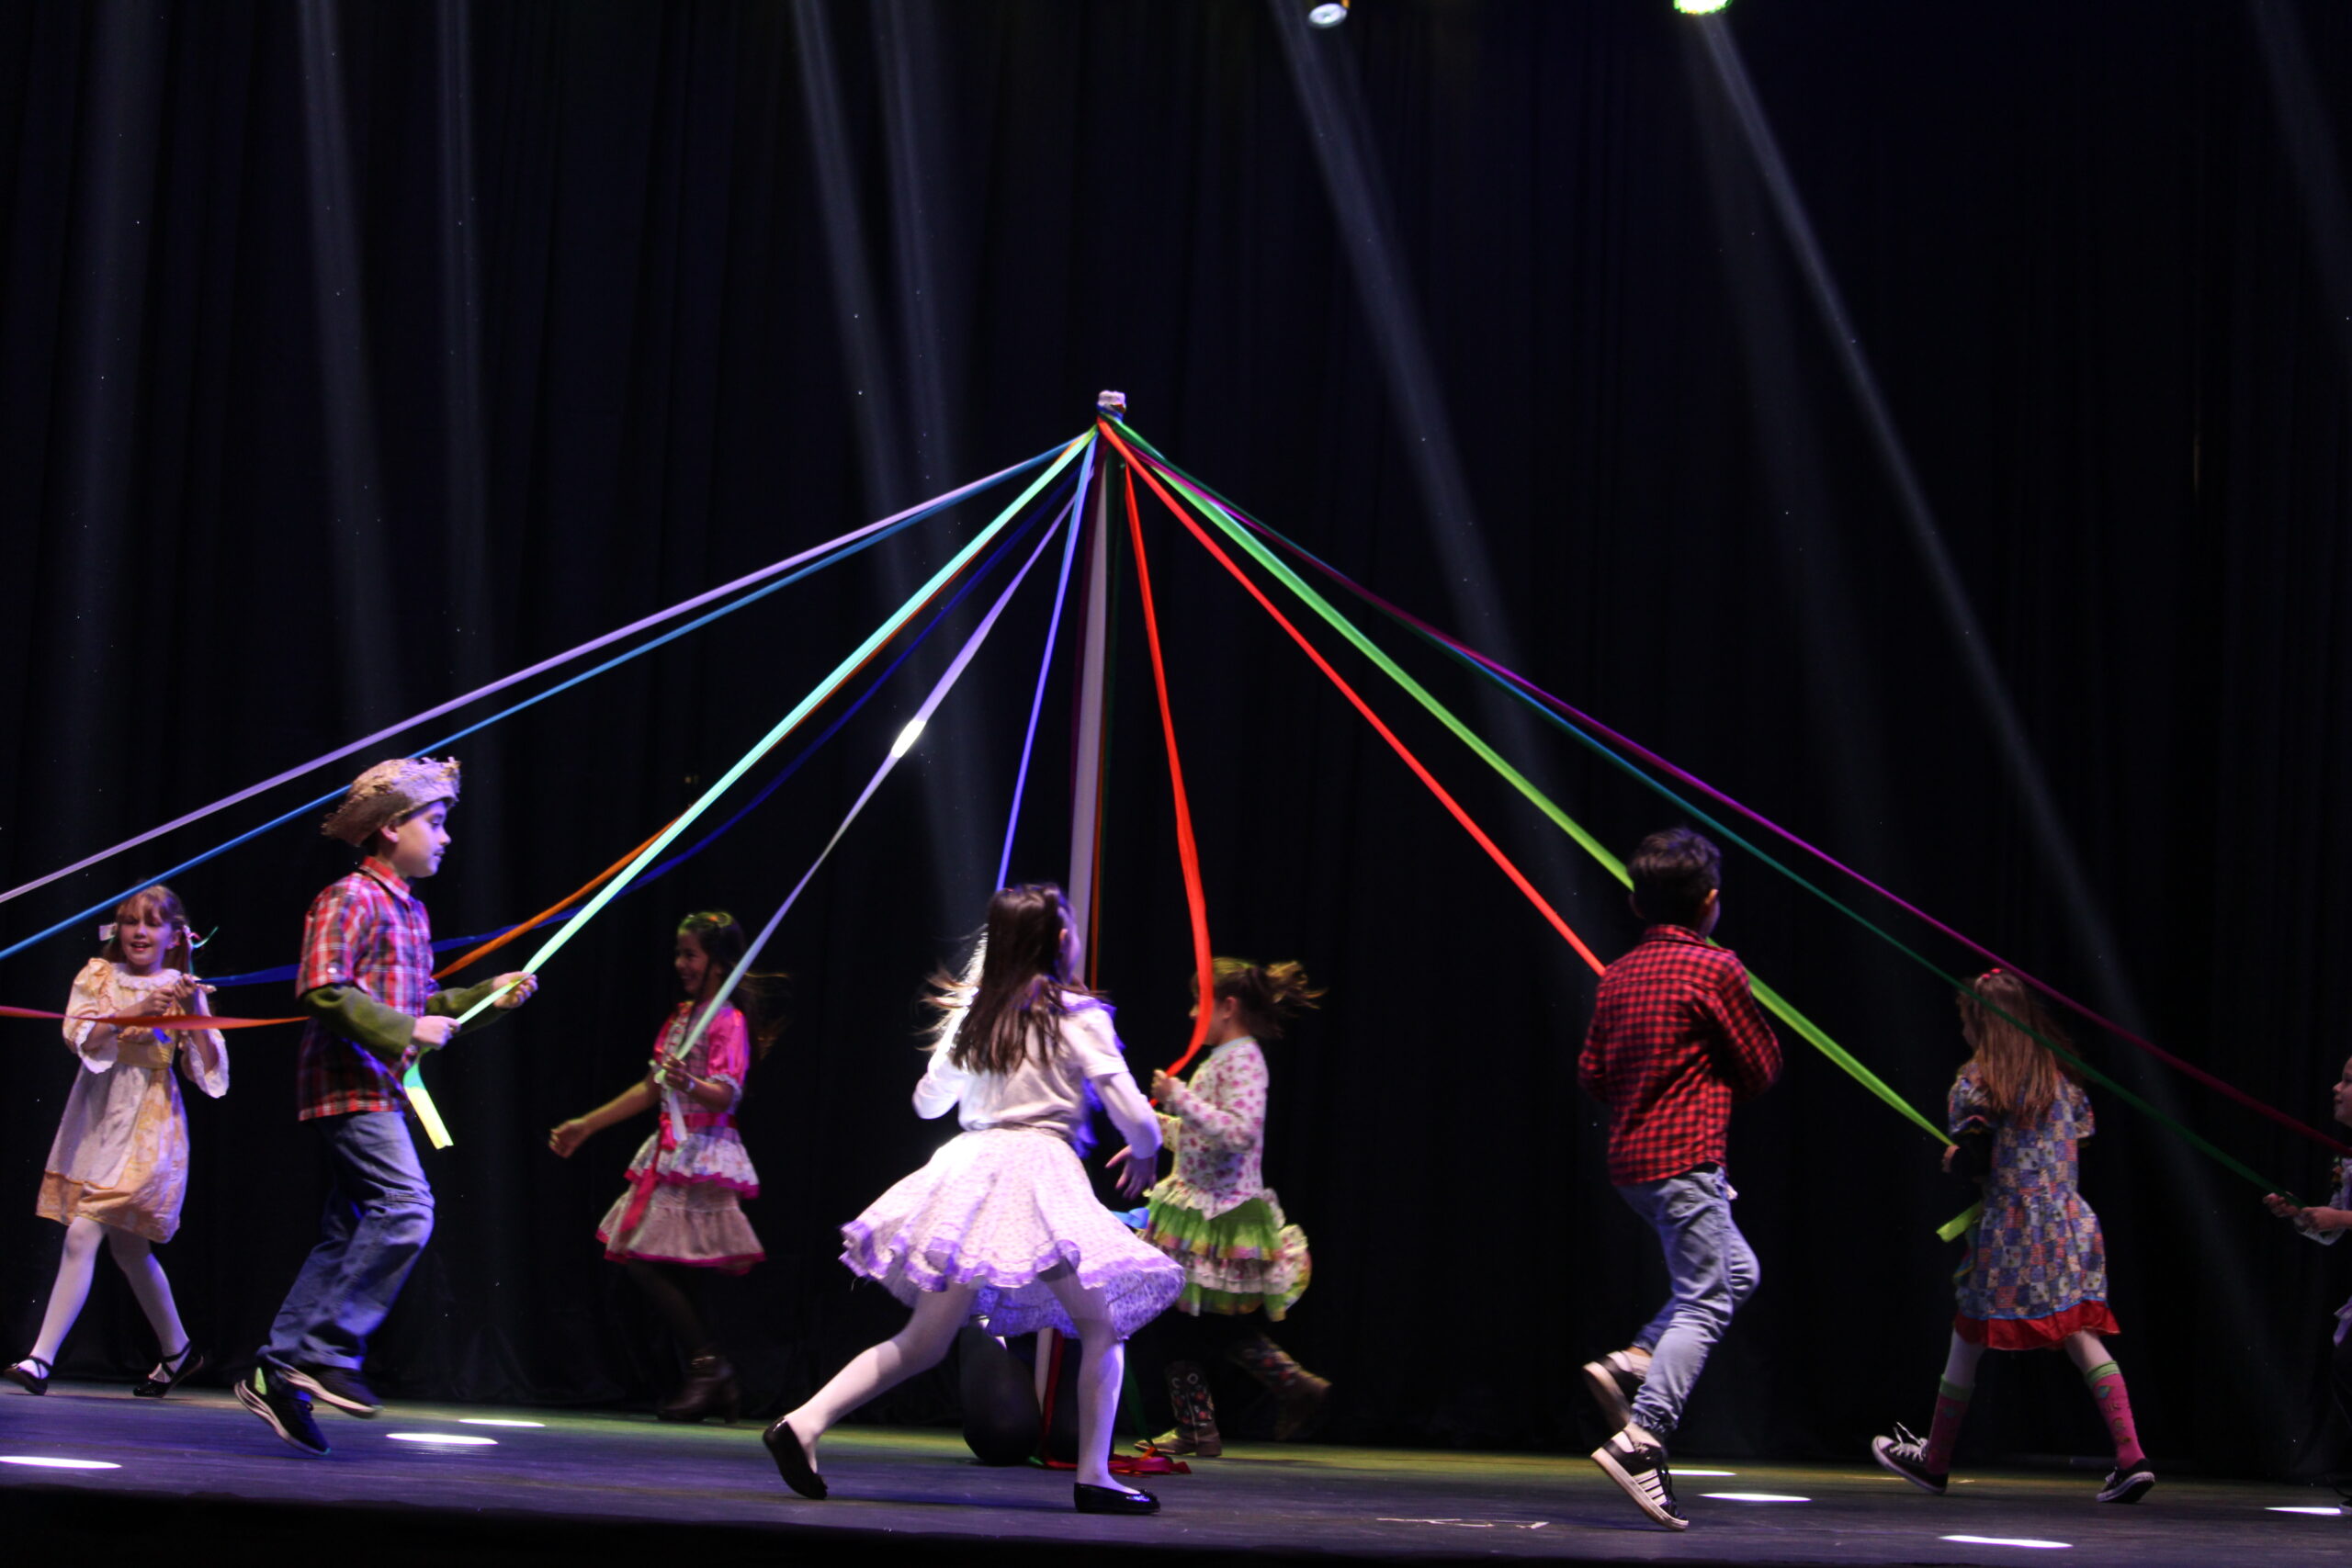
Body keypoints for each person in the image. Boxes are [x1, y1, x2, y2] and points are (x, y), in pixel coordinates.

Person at [762, 884, 1182, 1515]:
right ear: (1061, 939)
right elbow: (1136, 1118)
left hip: (968, 1169)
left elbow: (928, 1101)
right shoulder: (1077, 1015)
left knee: (923, 1341)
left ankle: (802, 1421)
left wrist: (974, 1030)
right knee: (1102, 1324)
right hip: (1036, 1172)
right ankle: (1095, 1474)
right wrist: (1147, 1143)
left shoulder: (976, 1013)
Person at [236, 757, 537, 1457]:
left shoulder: (410, 909)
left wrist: (486, 995)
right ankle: (323, 1349)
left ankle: (279, 1367)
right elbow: (321, 989)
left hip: (382, 1086)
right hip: (349, 1083)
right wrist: (406, 1030)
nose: (445, 837)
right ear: (390, 826)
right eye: (434, 823)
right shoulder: (349, 898)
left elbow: (422, 1005)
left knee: (349, 1230)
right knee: (406, 1208)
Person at [1871, 970, 2154, 1505]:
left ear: (1980, 1022)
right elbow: (2077, 1144)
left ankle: (1935, 1462)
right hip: (2070, 1224)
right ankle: (2131, 1456)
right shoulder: (2062, 1082)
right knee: (2077, 1333)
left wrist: (1957, 1160)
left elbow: (1976, 1160)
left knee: (1969, 1334)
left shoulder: (1976, 1084)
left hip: (2012, 1232)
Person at [1577, 828, 1781, 1531]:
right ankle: (1643, 1435)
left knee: (1737, 1271)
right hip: (1685, 1157)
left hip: (1633, 1163)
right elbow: (1758, 1068)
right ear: (1711, 903)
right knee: (1707, 1299)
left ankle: (1635, 1358)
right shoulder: (1716, 969)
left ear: (1638, 901)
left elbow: (1594, 1074)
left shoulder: (1618, 973)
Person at [549, 911, 774, 1423]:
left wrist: (691, 1084)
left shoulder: (726, 1022)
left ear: (717, 963)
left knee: (648, 1261)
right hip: (669, 1149)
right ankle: (711, 1375)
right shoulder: (680, 1020)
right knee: (665, 1265)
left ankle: (709, 1370)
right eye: (679, 953)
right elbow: (651, 1088)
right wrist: (588, 1124)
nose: (681, 964)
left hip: (703, 1151)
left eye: (690, 954)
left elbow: (724, 1095)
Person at [5, 886, 227, 1397]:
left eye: (152, 924)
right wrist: (134, 1013)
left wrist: (191, 1011)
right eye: (130, 922)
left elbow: (210, 1073)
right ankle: (178, 1350)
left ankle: (40, 1359)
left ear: (175, 935)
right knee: (129, 1249)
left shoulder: (183, 987)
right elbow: (81, 1039)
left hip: (150, 1126)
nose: (140, 933)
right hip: (97, 1115)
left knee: (84, 1233)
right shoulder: (98, 976)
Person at [1128, 956, 1329, 1456]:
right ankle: (1281, 1389)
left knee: (1187, 1322)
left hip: (1219, 1215)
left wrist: (1180, 1099)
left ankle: (1245, 1405)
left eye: (1201, 1002)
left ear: (1227, 1007)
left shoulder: (1244, 1059)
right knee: (1194, 1323)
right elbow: (1204, 1139)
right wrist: (1157, 1131)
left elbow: (1239, 1133)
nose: (1194, 1013)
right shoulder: (1223, 1060)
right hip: (1197, 1208)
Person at [2260, 1053, 2352, 1467]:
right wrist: (2303, 1217)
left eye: (2348, 1082)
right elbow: (2332, 1230)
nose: (2337, 1088)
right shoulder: (2346, 1157)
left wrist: (2340, 1217)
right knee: (2346, 1368)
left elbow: (2341, 1219)